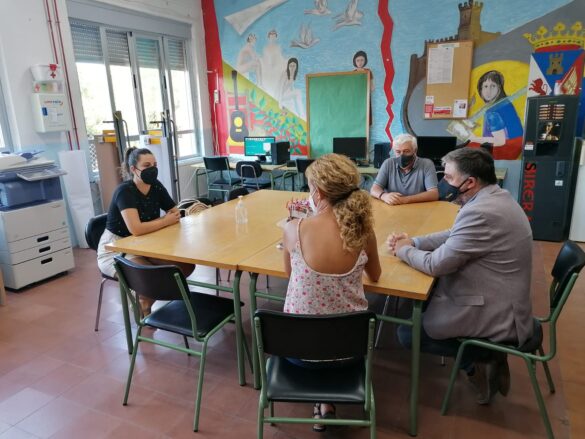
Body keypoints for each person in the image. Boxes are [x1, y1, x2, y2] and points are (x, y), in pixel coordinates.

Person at [387, 147, 533, 405]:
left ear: (470, 182)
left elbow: (435, 265)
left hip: (497, 310)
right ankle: (484, 354)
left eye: (449, 177)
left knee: (407, 334)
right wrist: (415, 242)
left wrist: (403, 250)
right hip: (503, 294)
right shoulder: (495, 197)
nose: (444, 182)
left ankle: (479, 359)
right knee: (427, 299)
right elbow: (455, 233)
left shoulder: (481, 212)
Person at [282, 153, 381, 431]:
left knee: (315, 327)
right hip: (350, 350)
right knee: (334, 328)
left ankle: (322, 401)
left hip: (297, 350)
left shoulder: (294, 228)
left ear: (318, 192)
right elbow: (375, 275)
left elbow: (291, 277)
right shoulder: (363, 232)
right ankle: (326, 401)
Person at [97, 147, 195, 315]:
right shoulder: (125, 191)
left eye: (154, 165)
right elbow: (136, 229)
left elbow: (175, 213)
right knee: (150, 278)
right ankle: (143, 303)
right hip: (116, 248)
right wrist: (163, 221)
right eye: (147, 165)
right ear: (133, 169)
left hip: (145, 242)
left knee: (184, 266)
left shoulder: (155, 186)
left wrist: (159, 222)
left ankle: (144, 301)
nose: (153, 169)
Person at [370, 133, 439, 205]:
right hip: (392, 208)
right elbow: (374, 189)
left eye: (406, 151)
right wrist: (384, 196)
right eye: (398, 152)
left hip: (417, 208)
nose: (401, 155)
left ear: (415, 151)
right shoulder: (388, 163)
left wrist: (405, 200)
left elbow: (434, 194)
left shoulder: (426, 164)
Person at [469, 70, 523, 160]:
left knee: (469, 147)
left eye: (493, 86)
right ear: (480, 89)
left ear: (499, 88)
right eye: (485, 86)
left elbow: (500, 141)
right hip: (516, 147)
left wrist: (474, 138)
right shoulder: (505, 103)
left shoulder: (492, 112)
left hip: (507, 149)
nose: (488, 91)